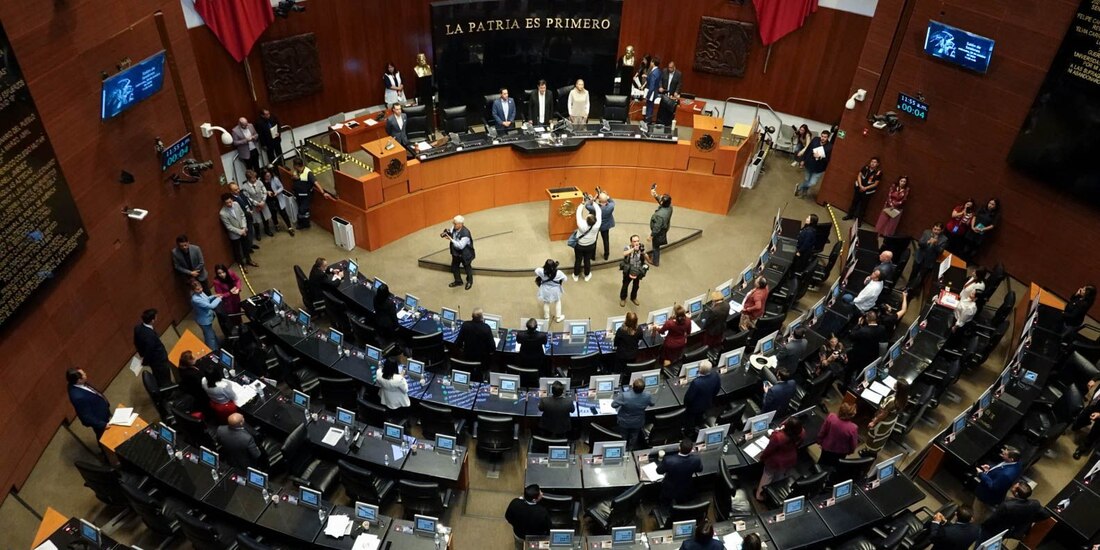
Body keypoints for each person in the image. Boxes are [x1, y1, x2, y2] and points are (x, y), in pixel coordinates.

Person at [757, 417, 804, 500]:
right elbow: (798, 445)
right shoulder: (802, 432)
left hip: (775, 461)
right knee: (779, 476)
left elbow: (769, 450)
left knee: (767, 475)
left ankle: (760, 496)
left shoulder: (778, 437)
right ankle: (774, 494)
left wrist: (762, 457)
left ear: (787, 427)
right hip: (790, 459)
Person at [979, 482, 1044, 540]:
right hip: (1006, 532)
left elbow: (993, 520)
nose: (1013, 486)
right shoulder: (1035, 503)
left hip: (993, 531)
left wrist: (983, 526)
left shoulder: (1007, 506)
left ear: (1016, 493)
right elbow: (1045, 515)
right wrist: (1028, 520)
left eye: (1014, 487)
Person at [865, 380, 910, 454]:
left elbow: (883, 414)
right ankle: (873, 452)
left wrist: (874, 422)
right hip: (891, 420)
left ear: (898, 389)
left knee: (874, 438)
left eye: (896, 384)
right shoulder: (904, 397)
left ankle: (868, 452)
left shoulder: (892, 401)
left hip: (882, 423)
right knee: (881, 439)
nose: (894, 383)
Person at [66, 368, 110, 441]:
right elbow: (86, 416)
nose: (86, 374)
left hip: (101, 411)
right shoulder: (78, 397)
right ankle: (104, 451)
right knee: (102, 436)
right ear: (79, 380)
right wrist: (102, 425)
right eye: (84, 374)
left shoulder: (75, 383)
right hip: (99, 419)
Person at [656, 438, 703, 507]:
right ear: (691, 450)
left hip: (669, 488)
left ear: (679, 447)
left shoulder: (668, 460)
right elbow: (700, 469)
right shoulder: (696, 459)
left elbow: (659, 471)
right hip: (686, 486)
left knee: (665, 502)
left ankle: (664, 507)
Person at [612, 378, 655, 450]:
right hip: (638, 421)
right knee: (634, 435)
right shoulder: (648, 395)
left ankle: (623, 448)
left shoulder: (625, 395)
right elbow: (652, 404)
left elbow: (613, 405)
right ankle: (631, 449)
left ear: (632, 386)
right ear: (644, 388)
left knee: (623, 435)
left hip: (624, 421)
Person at [906, 222, 948, 293]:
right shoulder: (927, 232)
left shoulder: (944, 239)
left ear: (941, 230)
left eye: (938, 230)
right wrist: (928, 242)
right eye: (935, 229)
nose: (936, 231)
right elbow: (920, 243)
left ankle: (914, 290)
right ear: (932, 228)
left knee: (921, 276)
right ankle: (907, 287)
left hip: (929, 261)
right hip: (919, 257)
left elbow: (940, 251)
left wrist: (935, 244)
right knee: (914, 273)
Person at [134, 309, 172, 385]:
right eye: (156, 317)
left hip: (152, 360)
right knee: (164, 375)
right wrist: (145, 361)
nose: (157, 318)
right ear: (152, 320)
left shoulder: (137, 328)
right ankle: (167, 390)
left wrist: (142, 355)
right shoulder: (150, 336)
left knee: (157, 373)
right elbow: (149, 350)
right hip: (159, 360)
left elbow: (136, 342)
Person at [220, 192, 256, 271]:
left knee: (245, 246)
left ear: (232, 200)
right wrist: (240, 231)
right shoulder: (222, 213)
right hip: (235, 234)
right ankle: (242, 265)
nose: (229, 204)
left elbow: (242, 215)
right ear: (224, 203)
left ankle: (249, 260)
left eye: (230, 202)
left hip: (243, 229)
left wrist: (244, 226)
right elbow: (229, 227)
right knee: (238, 251)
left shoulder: (236, 204)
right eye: (227, 203)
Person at [292, 157, 331, 230]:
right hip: (298, 195)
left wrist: (323, 193)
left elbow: (316, 183)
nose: (293, 167)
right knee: (305, 211)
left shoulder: (308, 173)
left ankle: (301, 223)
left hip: (306, 196)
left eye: (294, 165)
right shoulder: (296, 172)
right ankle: (306, 223)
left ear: (297, 166)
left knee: (302, 210)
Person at [817, 402, 859, 468]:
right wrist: (851, 451)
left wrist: (820, 441)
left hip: (827, 447)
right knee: (835, 465)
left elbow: (823, 431)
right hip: (841, 452)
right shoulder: (853, 428)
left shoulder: (831, 417)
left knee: (822, 461)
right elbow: (853, 443)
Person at [683, 363, 721, 431]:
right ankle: (699, 423)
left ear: (700, 370)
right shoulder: (715, 375)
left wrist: (686, 405)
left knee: (690, 419)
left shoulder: (696, 382)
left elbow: (689, 398)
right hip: (708, 403)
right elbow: (717, 388)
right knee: (700, 415)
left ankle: (689, 430)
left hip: (694, 407)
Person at [571, 198, 602, 281]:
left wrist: (582, 203)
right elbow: (599, 212)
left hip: (580, 245)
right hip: (590, 246)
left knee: (578, 260)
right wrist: (594, 203)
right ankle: (587, 275)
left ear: (587, 220)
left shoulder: (581, 224)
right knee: (587, 260)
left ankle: (576, 275)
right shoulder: (597, 225)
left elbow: (578, 213)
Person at [795, 129, 832, 197]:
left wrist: (820, 156)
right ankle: (804, 193)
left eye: (825, 137)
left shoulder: (829, 147)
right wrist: (803, 160)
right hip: (809, 164)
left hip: (819, 169)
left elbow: (828, 159)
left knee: (812, 183)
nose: (823, 138)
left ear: (828, 138)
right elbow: (808, 150)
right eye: (822, 136)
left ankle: (799, 187)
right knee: (807, 179)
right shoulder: (815, 140)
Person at [844, 157, 882, 221]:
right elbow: (859, 176)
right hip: (859, 188)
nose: (872, 163)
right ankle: (849, 215)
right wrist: (861, 185)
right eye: (872, 162)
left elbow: (875, 184)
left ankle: (859, 220)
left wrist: (865, 188)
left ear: (877, 164)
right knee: (854, 202)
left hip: (868, 192)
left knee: (863, 206)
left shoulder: (878, 173)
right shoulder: (865, 168)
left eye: (874, 162)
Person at [1072, 375, 1100, 459]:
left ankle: (1082, 449)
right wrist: (1093, 379)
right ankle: (1077, 425)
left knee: (1096, 431)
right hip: (1097, 400)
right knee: (1083, 417)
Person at [189, 279, 222, 351]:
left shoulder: (200, 293)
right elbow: (211, 306)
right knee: (210, 338)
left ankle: (218, 344)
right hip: (204, 321)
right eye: (197, 289)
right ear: (193, 290)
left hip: (207, 318)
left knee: (210, 334)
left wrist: (214, 296)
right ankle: (214, 352)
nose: (200, 290)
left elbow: (207, 299)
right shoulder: (195, 299)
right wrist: (219, 299)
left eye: (201, 287)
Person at [443, 215, 475, 290]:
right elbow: (451, 231)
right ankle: (458, 281)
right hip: (456, 253)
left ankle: (469, 281)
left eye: (455, 224)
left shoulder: (465, 233)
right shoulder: (454, 227)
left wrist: (451, 239)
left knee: (467, 268)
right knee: (454, 267)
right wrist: (447, 232)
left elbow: (460, 246)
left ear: (461, 224)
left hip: (465, 254)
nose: (453, 225)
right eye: (453, 223)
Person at [241, 169, 274, 239]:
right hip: (254, 206)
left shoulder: (259, 182)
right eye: (253, 178)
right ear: (248, 179)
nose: (255, 179)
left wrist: (263, 201)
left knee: (265, 218)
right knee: (256, 221)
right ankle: (257, 233)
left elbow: (264, 191)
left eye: (255, 177)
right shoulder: (244, 187)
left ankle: (267, 230)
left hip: (263, 203)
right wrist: (257, 204)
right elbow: (248, 198)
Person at [619, 234, 651, 306]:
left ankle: (633, 297)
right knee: (625, 285)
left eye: (638, 241)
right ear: (631, 242)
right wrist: (633, 249)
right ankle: (623, 298)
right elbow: (624, 253)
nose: (636, 243)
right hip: (629, 270)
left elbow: (647, 258)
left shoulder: (641, 247)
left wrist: (644, 253)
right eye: (634, 241)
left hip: (638, 270)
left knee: (636, 285)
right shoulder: (627, 248)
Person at [262, 168, 295, 236]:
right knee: (273, 213)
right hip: (269, 201)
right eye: (267, 176)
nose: (269, 177)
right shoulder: (261, 182)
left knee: (283, 213)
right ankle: (276, 224)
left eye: (269, 175)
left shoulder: (275, 179)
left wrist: (277, 192)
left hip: (277, 199)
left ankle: (289, 227)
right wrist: (266, 192)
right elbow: (261, 191)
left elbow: (281, 187)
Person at [212, 264, 243, 330]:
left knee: (238, 312)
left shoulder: (230, 273)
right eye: (219, 273)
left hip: (236, 297)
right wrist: (230, 292)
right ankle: (234, 328)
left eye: (223, 272)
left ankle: (240, 325)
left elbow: (238, 280)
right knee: (231, 315)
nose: (222, 275)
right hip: (228, 302)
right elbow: (220, 295)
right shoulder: (216, 282)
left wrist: (238, 288)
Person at [587, 191, 616, 260]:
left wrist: (593, 199)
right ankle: (606, 255)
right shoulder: (611, 206)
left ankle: (592, 256)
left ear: (599, 200)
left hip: (596, 225)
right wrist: (606, 196)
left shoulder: (595, 208)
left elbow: (587, 205)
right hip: (605, 226)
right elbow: (612, 201)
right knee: (606, 240)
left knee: (594, 240)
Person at [648, 188, 673, 266]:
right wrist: (655, 195)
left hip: (659, 232)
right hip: (665, 227)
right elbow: (662, 202)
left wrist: (651, 236)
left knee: (656, 246)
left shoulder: (659, 216)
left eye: (661, 198)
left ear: (662, 202)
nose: (660, 197)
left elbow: (656, 228)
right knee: (656, 244)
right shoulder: (670, 207)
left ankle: (655, 261)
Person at [645, 56, 661, 124]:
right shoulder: (658, 71)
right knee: (650, 106)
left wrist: (648, 95)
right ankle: (648, 120)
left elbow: (652, 85)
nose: (650, 63)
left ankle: (648, 121)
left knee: (649, 107)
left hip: (652, 92)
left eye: (651, 62)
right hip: (655, 91)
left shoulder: (654, 72)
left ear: (653, 63)